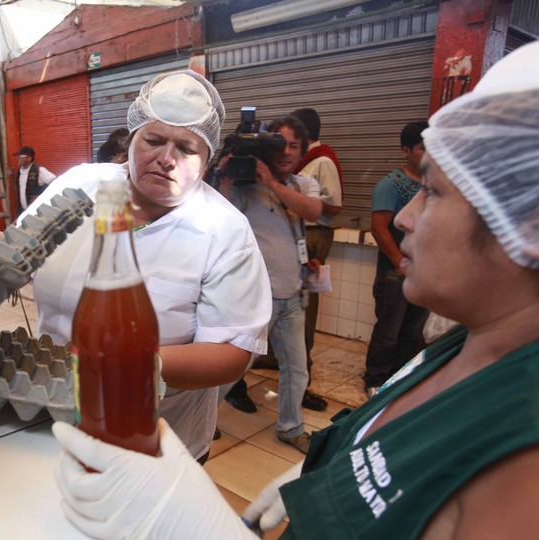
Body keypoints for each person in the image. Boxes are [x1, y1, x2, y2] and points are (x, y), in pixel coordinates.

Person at [51, 42, 539, 540]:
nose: (405, 218)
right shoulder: (458, 352)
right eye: (152, 141)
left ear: (530, 228)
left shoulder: (523, 452)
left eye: (432, 192)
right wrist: (334, 473)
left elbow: (233, 349)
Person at [0, 70, 271, 464]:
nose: (166, 159)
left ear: (208, 160)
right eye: (153, 140)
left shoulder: (225, 231)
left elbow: (232, 352)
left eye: (186, 148)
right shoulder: (79, 185)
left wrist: (137, 365)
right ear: (132, 139)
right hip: (49, 416)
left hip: (155, 441)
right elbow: (24, 258)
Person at [216, 116, 322, 454]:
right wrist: (227, 179)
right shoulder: (246, 186)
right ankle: (199, 416)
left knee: (296, 368)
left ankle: (291, 428)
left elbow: (314, 211)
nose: (287, 152)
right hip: (255, 299)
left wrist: (271, 183)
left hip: (293, 296)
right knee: (231, 369)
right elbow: (220, 218)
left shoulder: (303, 185)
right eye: (281, 144)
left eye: (294, 146)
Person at [362, 121, 431, 397]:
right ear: (406, 151)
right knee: (389, 331)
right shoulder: (391, 185)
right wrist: (401, 263)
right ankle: (375, 378)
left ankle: (400, 378)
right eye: (423, 148)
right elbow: (379, 229)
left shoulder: (435, 184)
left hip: (424, 271)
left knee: (412, 331)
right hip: (396, 272)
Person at [291, 107, 343, 412]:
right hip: (296, 235)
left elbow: (334, 206)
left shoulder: (322, 160)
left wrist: (302, 201)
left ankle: (302, 381)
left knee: (304, 312)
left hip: (312, 238)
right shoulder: (299, 162)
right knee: (288, 311)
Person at [13, 146, 56, 214]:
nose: (18, 159)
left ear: (29, 158)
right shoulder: (19, 172)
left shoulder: (39, 170)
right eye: (17, 157)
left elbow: (56, 183)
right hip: (24, 212)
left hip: (38, 212)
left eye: (21, 157)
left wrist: (42, 197)